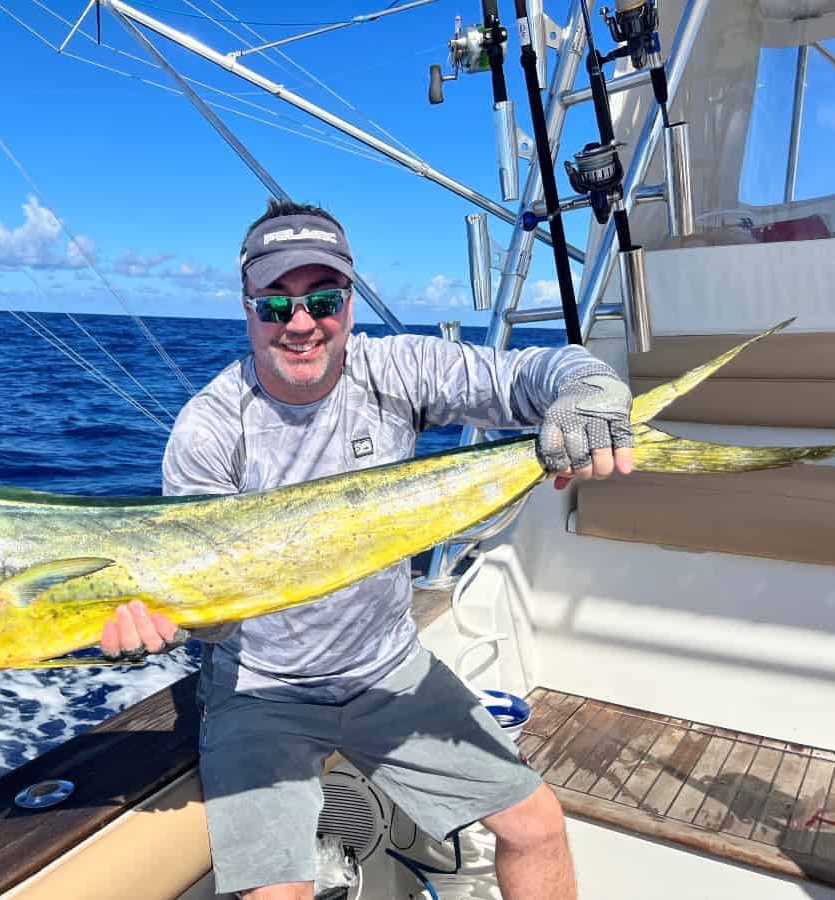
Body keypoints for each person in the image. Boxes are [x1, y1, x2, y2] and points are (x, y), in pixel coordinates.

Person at [100, 199, 634, 900]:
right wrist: (161, 625)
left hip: (388, 670)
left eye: (323, 300)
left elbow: (521, 378)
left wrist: (587, 386)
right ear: (246, 307)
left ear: (349, 303)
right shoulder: (207, 428)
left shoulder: (397, 368)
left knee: (536, 825)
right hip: (261, 694)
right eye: (276, 305)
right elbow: (205, 608)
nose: (301, 323)